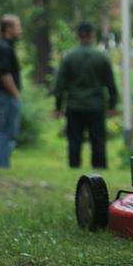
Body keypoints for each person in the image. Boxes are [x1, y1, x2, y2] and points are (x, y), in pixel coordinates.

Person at [52, 22, 118, 168]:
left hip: (74, 105)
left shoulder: (69, 57)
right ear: (92, 34)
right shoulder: (101, 57)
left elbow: (60, 85)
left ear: (78, 35)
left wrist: (58, 107)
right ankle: (99, 169)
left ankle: (74, 166)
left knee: (74, 140)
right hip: (96, 105)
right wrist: (112, 105)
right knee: (98, 140)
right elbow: (111, 84)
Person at [0, 14, 24, 169]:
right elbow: (4, 74)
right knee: (7, 131)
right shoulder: (4, 48)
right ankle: (1, 165)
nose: (20, 30)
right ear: (8, 28)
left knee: (4, 129)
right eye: (18, 27)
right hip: (7, 95)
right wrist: (14, 93)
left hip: (2, 93)